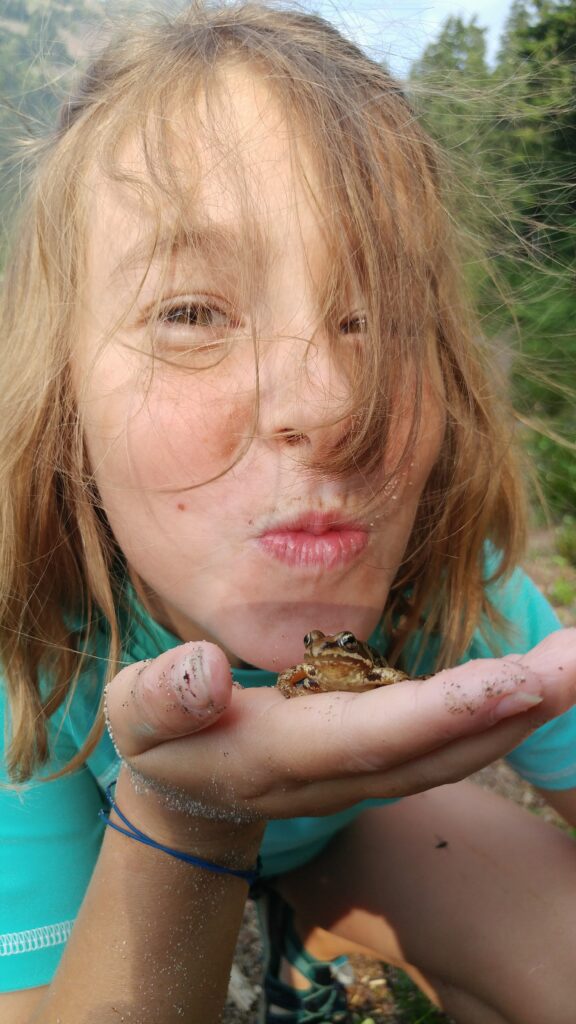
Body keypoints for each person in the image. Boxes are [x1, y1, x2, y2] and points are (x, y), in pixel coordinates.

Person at [0, 3, 575, 1022]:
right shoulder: (27, 655)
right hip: (103, 857)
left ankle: (309, 938)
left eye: (377, 317)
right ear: (59, 394)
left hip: (348, 831)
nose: (329, 405)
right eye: (191, 312)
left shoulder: (459, 589)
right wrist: (187, 819)